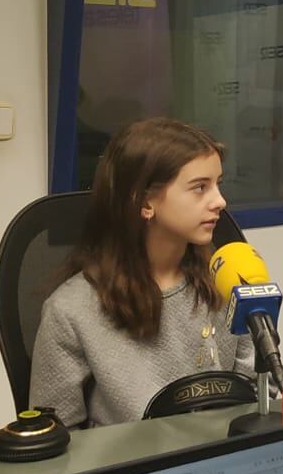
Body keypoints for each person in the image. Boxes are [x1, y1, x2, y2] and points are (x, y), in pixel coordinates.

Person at [29, 117, 254, 428]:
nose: (220, 201)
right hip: (128, 473)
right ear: (145, 201)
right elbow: (57, 441)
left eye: (218, 184)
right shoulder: (71, 311)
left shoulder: (228, 283)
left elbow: (258, 400)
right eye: (200, 187)